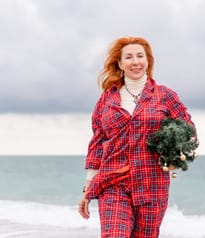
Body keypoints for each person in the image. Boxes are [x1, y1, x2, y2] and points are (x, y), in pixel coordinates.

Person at [78, 36, 196, 238]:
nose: (135, 62)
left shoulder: (165, 96)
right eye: (129, 57)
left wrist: (175, 153)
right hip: (112, 182)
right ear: (120, 63)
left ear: (148, 61)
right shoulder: (107, 99)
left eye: (140, 56)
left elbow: (188, 129)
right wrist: (88, 187)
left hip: (152, 184)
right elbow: (97, 142)